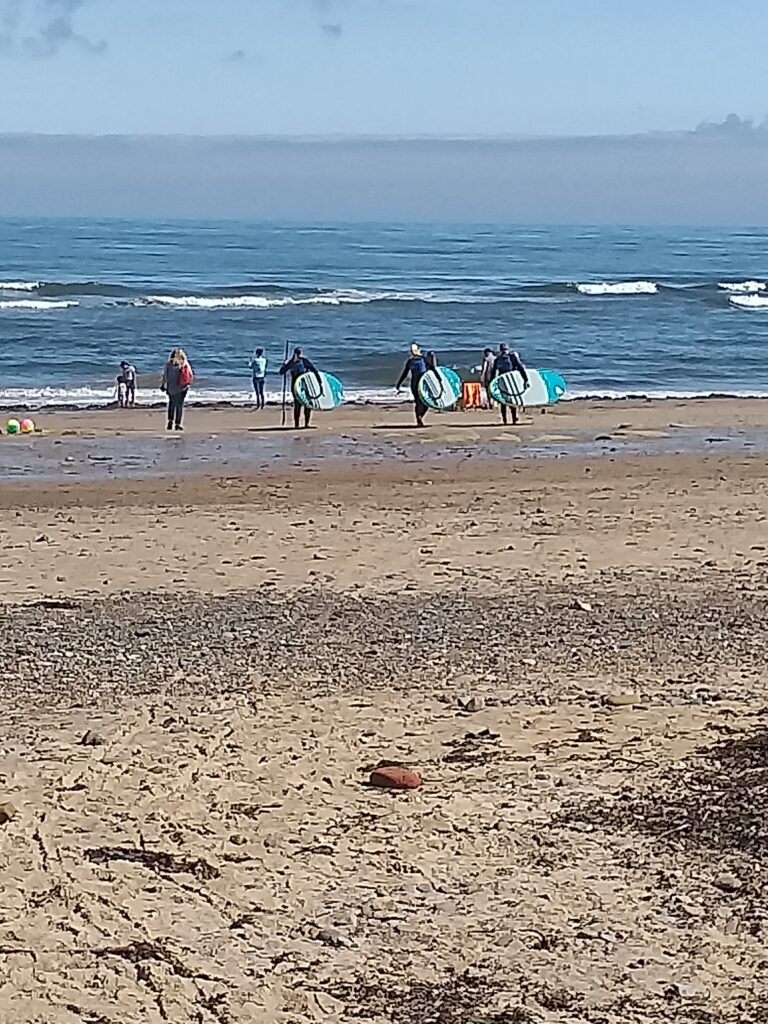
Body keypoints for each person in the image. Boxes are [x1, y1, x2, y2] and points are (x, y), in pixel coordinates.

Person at [279, 346, 322, 429]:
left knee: (306, 405)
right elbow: (282, 372)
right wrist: (284, 365)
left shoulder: (300, 361)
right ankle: (298, 424)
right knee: (300, 405)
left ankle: (303, 424)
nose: (299, 355)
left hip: (304, 386)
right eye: (299, 353)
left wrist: (319, 381)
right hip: (298, 386)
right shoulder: (293, 362)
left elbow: (313, 370)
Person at [490, 343, 529, 425]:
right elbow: (493, 372)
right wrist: (491, 384)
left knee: (512, 401)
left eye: (505, 350)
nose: (504, 352)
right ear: (500, 351)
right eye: (503, 350)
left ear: (508, 350)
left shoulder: (512, 357)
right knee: (503, 401)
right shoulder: (498, 360)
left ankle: (514, 419)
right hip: (502, 381)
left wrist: (526, 380)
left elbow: (520, 368)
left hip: (511, 381)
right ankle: (504, 420)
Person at [396, 343, 430, 427]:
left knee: (421, 402)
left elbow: (405, 374)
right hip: (420, 384)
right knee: (423, 402)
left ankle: (419, 417)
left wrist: (399, 383)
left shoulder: (414, 361)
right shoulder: (422, 360)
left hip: (417, 384)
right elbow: (432, 370)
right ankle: (419, 418)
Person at [161, 347, 193, 431]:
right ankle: (178, 424)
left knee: (171, 404)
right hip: (182, 387)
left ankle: (170, 421)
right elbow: (190, 375)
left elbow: (165, 376)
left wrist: (163, 385)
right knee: (179, 406)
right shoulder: (184, 364)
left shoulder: (168, 364)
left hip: (171, 388)